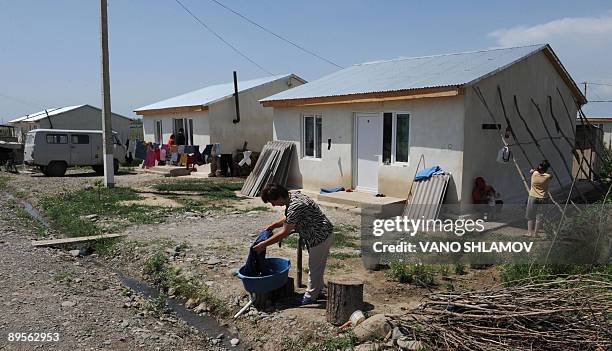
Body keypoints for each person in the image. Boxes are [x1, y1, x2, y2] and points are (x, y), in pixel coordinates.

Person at [253, 184, 333, 305]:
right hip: (319, 235)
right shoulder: (293, 196)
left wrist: (264, 244)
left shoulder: (296, 206)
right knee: (318, 266)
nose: (273, 205)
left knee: (314, 267)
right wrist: (273, 225)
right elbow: (288, 218)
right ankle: (318, 289)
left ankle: (310, 297)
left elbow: (285, 231)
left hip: (320, 237)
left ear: (280, 196)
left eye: (273, 202)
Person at [526, 160, 553, 236]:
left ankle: (529, 232)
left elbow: (532, 170)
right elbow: (551, 176)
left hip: (533, 197)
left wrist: (536, 169)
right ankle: (536, 233)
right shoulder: (548, 176)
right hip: (543, 198)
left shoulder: (534, 173)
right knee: (539, 216)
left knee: (530, 215)